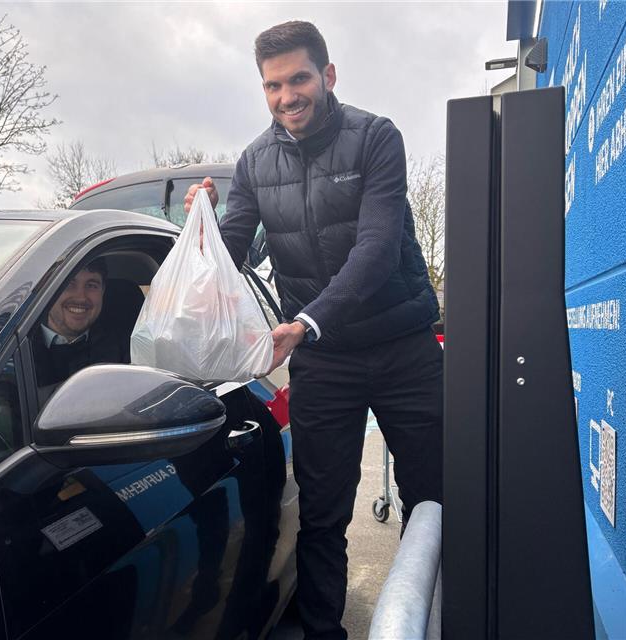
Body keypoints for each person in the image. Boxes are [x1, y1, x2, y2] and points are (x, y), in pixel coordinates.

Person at [185, 21, 443, 640]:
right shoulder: (253, 162)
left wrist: (305, 321)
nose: (286, 96)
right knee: (322, 517)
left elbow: (379, 248)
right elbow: (233, 257)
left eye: (298, 78)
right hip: (325, 364)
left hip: (404, 349)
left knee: (435, 503)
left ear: (327, 76)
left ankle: (441, 621)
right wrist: (202, 223)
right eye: (272, 85)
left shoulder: (377, 138)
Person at [32, 258, 130, 397]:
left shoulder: (125, 351)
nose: (81, 297)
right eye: (68, 283)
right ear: (47, 291)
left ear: (103, 291)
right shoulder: (12, 350)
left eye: (91, 285)